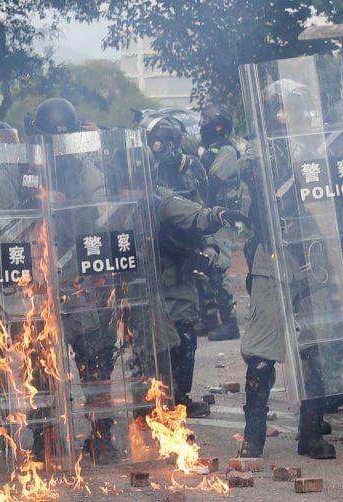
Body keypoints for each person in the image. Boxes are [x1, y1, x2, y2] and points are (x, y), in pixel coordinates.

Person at [237, 78, 336, 459]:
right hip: (273, 259)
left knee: (314, 348)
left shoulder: (316, 148)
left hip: (314, 257)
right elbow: (259, 206)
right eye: (287, 108)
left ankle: (310, 433)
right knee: (262, 351)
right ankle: (253, 434)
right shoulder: (258, 155)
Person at [143, 115, 212, 417]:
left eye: (167, 141)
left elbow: (201, 210)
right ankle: (156, 397)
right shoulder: (142, 170)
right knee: (154, 334)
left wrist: (208, 246)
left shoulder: (191, 169)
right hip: (151, 260)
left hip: (180, 260)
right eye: (156, 141)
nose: (162, 147)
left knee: (185, 331)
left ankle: (179, 395)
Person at [198, 104, 242, 341]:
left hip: (220, 218)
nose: (201, 124)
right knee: (204, 267)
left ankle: (229, 322)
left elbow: (212, 180)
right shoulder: (210, 149)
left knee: (217, 269)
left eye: (206, 120)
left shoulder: (226, 150)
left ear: (218, 125)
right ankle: (208, 318)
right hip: (207, 215)